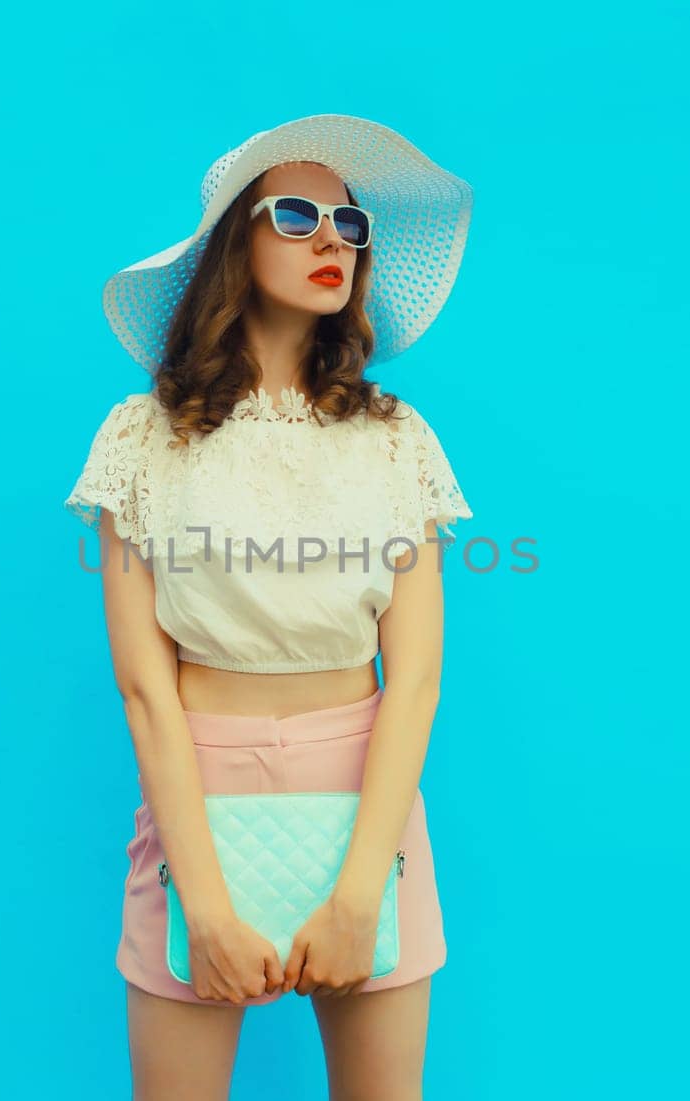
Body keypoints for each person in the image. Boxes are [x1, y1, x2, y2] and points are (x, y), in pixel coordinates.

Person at [64, 113, 473, 1100]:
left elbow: (411, 682)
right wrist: (201, 907)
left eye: (350, 222)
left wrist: (359, 890)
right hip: (195, 806)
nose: (334, 237)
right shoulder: (141, 436)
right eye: (296, 215)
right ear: (232, 247)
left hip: (369, 814)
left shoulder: (394, 438)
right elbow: (144, 691)